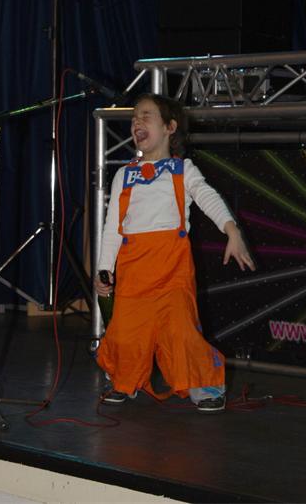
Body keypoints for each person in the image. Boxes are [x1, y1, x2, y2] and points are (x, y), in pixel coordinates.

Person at [94, 94, 255, 413]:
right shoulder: (124, 175)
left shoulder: (183, 170)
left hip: (172, 272)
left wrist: (232, 231)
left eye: (146, 115)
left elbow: (207, 196)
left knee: (181, 333)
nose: (137, 122)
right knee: (126, 334)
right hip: (133, 273)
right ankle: (124, 381)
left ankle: (206, 387)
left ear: (169, 127)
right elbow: (113, 227)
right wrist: (104, 269)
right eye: (134, 117)